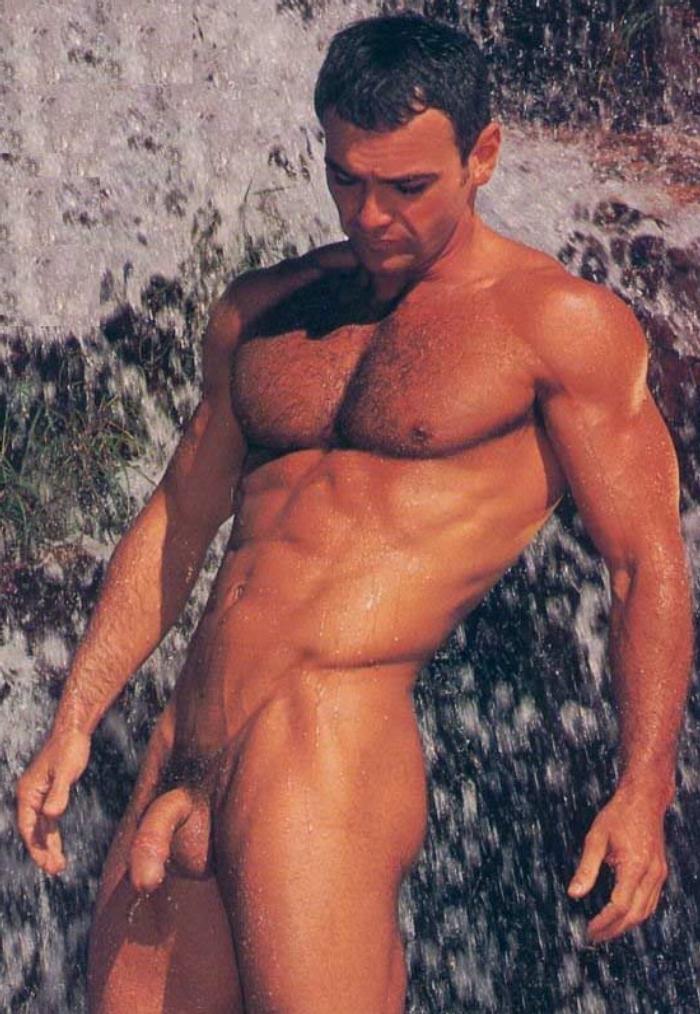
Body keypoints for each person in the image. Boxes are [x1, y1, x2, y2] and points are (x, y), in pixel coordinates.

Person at [16, 12, 693, 1014]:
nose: (371, 216)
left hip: (321, 745)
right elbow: (176, 521)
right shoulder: (266, 310)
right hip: (182, 746)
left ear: (483, 154)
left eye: (407, 187)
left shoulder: (558, 325)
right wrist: (77, 717)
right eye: (345, 179)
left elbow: (643, 564)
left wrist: (645, 787)